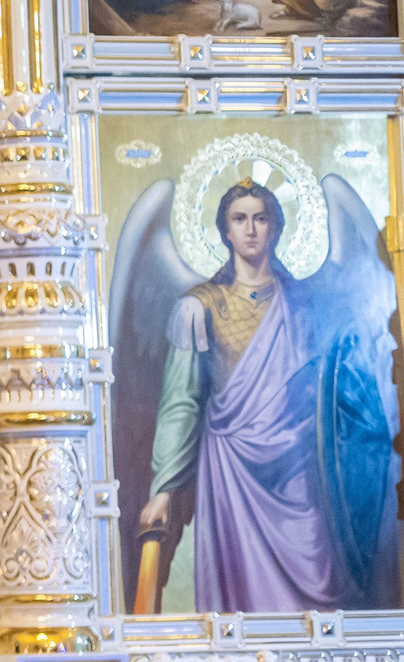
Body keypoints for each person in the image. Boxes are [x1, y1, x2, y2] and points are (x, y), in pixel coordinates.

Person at [136, 181, 388, 612]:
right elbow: (182, 400)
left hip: (300, 470)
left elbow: (338, 386)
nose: (250, 229)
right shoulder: (200, 307)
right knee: (242, 598)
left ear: (275, 227)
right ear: (225, 231)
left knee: (321, 584)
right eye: (239, 219)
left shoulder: (306, 302)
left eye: (260, 217)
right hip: (232, 471)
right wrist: (163, 488)